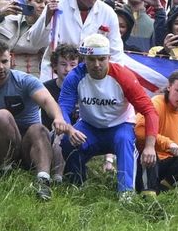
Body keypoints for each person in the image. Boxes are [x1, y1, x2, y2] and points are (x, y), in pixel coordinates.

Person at [58, 34, 157, 200]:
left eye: (101, 59)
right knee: (68, 141)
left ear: (109, 58)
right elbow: (64, 106)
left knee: (124, 140)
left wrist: (150, 146)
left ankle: (126, 194)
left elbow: (149, 111)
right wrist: (68, 129)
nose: (97, 64)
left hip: (120, 125)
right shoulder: (75, 76)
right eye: (91, 59)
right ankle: (76, 186)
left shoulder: (123, 76)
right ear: (84, 59)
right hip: (89, 126)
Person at [0, 38, 72, 200]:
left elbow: (47, 101)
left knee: (38, 128)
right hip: (1, 146)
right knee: (1, 116)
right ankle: (6, 171)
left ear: (11, 59)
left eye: (4, 61)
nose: (0, 67)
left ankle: (43, 181)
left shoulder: (25, 81)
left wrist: (58, 117)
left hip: (31, 146)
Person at [30, 0, 122, 80]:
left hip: (91, 79)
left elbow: (116, 53)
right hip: (56, 77)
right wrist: (47, 18)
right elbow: (35, 42)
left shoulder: (108, 12)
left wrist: (112, 81)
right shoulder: (57, 5)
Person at [134, 69, 178, 194]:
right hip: (145, 160)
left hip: (167, 163)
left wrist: (173, 147)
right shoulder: (155, 104)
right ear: (169, 87)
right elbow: (139, 131)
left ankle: (163, 191)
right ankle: (148, 193)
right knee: (150, 152)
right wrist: (168, 144)